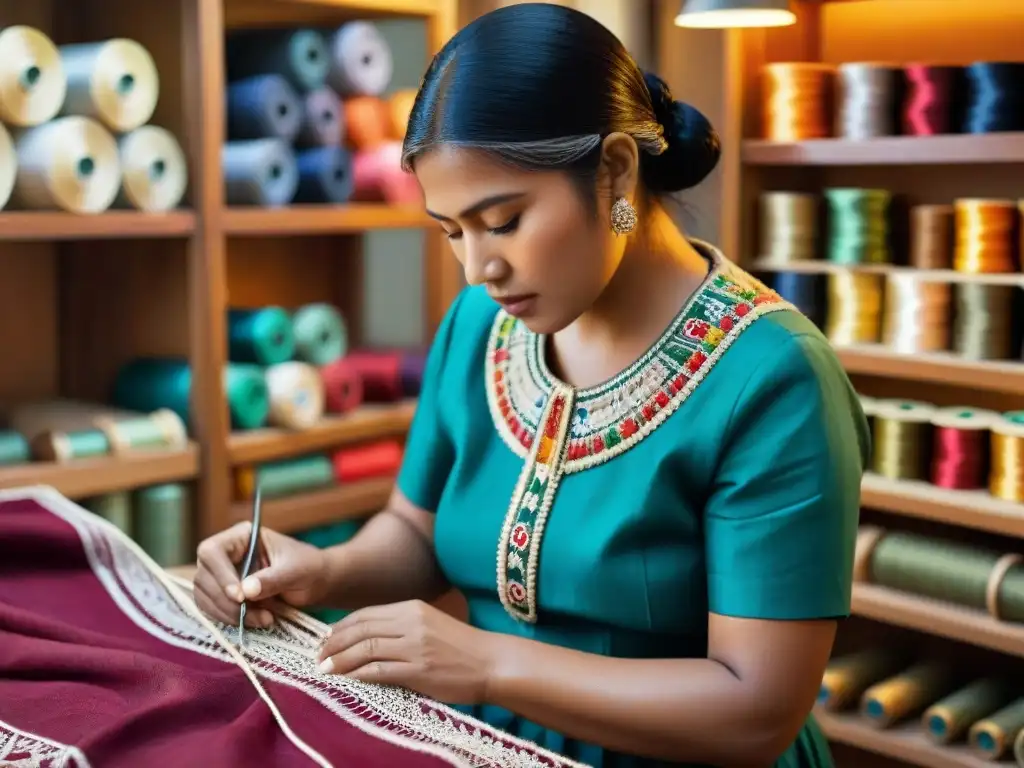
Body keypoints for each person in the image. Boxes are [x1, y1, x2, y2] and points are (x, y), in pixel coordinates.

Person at [193, 4, 869, 767]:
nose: (478, 268)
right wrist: (326, 571)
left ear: (614, 169)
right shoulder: (479, 326)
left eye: (504, 220)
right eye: (452, 232)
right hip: (485, 746)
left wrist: (489, 665)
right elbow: (417, 531)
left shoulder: (772, 381)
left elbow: (755, 711)